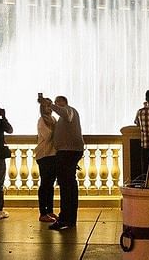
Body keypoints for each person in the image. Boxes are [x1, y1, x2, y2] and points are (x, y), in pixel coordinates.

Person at [47, 95, 84, 231]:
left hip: (67, 151)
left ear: (65, 102)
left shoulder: (69, 111)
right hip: (68, 152)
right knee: (68, 185)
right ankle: (69, 218)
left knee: (66, 185)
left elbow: (64, 113)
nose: (57, 104)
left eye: (59, 101)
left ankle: (65, 219)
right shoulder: (64, 117)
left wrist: (51, 105)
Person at [36, 96, 58, 223]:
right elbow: (48, 136)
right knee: (45, 184)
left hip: (52, 154)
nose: (49, 108)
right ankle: (42, 212)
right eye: (47, 106)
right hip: (44, 155)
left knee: (50, 185)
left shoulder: (53, 119)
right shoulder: (42, 121)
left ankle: (50, 210)